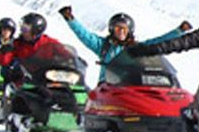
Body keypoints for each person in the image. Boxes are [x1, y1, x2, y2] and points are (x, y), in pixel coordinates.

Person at [58, 7, 191, 82]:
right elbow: (85, 35)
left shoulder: (136, 48)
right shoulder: (103, 46)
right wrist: (71, 19)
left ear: (129, 31)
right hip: (107, 85)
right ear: (111, 29)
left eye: (124, 29)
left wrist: (178, 31)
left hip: (129, 85)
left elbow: (158, 42)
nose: (121, 32)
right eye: (117, 28)